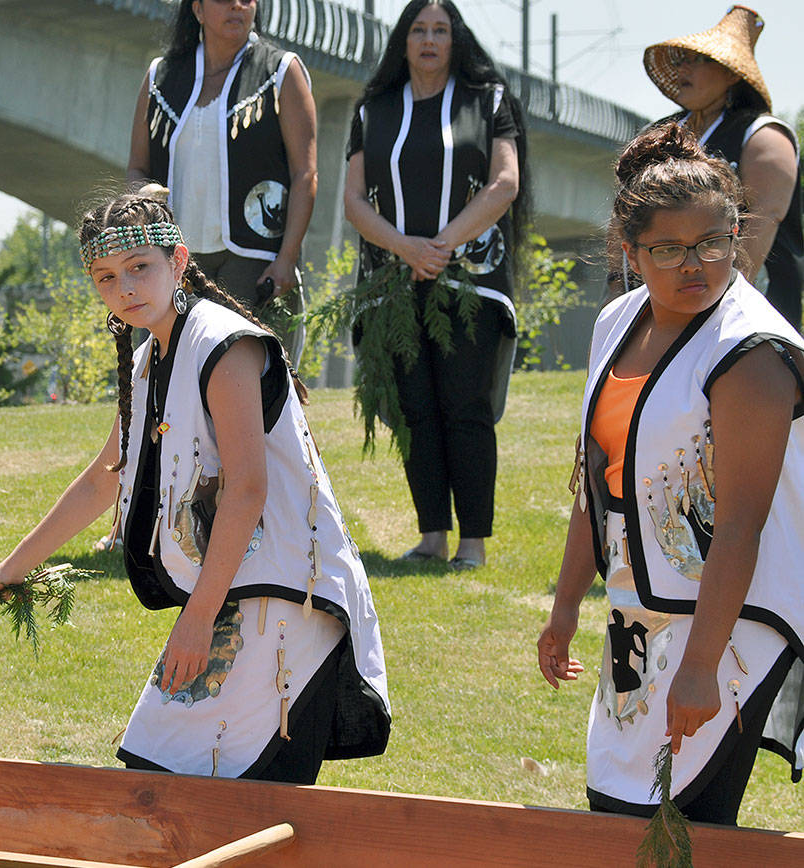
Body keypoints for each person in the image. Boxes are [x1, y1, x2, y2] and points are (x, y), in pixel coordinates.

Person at [0, 194, 390, 784]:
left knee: (230, 799)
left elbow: (247, 489)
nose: (126, 288)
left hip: (292, 595)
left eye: (140, 266)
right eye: (106, 277)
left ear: (179, 260)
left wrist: (196, 619)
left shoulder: (223, 343)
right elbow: (101, 481)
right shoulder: (151, 359)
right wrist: (10, 569)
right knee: (159, 776)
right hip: (236, 593)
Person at [538, 123, 804, 824]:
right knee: (614, 806)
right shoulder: (618, 320)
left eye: (714, 243)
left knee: (682, 821)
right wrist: (566, 604)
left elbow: (742, 525)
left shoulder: (750, 353)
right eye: (668, 250)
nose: (697, 266)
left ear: (737, 231)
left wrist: (700, 667)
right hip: (641, 603)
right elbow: (599, 478)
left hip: (733, 616)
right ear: (630, 252)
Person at [343, 0, 527, 569]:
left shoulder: (488, 101)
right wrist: (407, 249)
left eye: (440, 30)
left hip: (469, 280)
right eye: (418, 29)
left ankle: (472, 542)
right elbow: (352, 199)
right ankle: (432, 537)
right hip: (393, 283)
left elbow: (505, 183)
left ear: (455, 39)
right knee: (416, 409)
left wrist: (441, 245)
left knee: (464, 406)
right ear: (403, 41)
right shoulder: (373, 110)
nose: (428, 40)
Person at [126, 0, 316, 365]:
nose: (237, 5)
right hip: (173, 258)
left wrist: (287, 259)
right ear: (197, 9)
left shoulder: (280, 71)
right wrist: (142, 210)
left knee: (244, 373)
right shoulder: (160, 76)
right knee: (171, 377)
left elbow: (305, 173)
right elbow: (138, 168)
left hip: (254, 257)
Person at [617, 5, 802, 328]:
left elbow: (763, 220)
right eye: (682, 60)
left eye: (699, 60)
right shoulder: (661, 133)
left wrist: (717, 303)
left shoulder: (763, 135)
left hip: (745, 311)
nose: (684, 69)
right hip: (663, 307)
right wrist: (618, 288)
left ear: (732, 73)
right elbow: (626, 214)